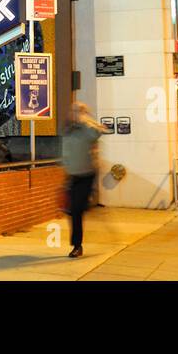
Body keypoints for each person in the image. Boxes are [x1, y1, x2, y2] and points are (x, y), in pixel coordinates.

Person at [62, 100, 105, 258]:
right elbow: (66, 151)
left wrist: (85, 120)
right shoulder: (69, 130)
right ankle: (77, 243)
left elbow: (99, 132)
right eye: (73, 110)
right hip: (72, 175)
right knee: (72, 210)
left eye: (77, 111)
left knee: (76, 209)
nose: (74, 113)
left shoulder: (88, 129)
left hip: (87, 174)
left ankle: (77, 246)